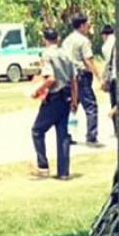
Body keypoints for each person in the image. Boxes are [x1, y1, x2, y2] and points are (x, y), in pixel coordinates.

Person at [31, 29, 78, 180]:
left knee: (37, 130)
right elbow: (73, 80)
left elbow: (51, 79)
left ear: (45, 39)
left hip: (54, 97)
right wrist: (75, 99)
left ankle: (42, 166)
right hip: (66, 97)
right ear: (58, 38)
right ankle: (63, 171)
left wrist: (37, 90)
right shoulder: (66, 54)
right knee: (62, 134)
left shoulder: (46, 55)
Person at [62, 13, 102, 146]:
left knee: (71, 105)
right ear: (82, 25)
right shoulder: (83, 41)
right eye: (87, 24)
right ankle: (91, 136)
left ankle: (66, 134)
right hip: (82, 76)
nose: (89, 26)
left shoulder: (67, 40)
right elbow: (88, 60)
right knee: (91, 106)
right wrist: (99, 77)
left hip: (69, 76)